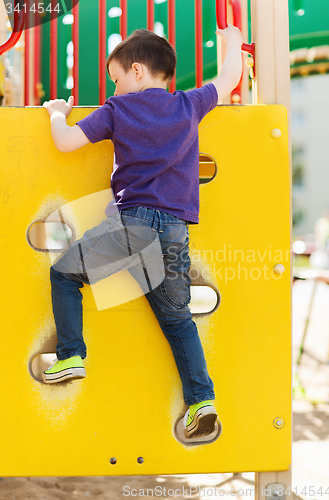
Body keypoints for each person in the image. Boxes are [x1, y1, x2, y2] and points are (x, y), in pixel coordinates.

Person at [42, 26, 243, 439]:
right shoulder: (189, 104)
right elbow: (229, 78)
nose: (114, 86)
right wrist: (234, 40)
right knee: (178, 320)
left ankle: (71, 355)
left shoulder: (119, 109)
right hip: (173, 232)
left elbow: (64, 143)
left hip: (131, 226)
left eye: (115, 77)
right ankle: (202, 402)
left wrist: (57, 112)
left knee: (64, 274)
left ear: (135, 71)